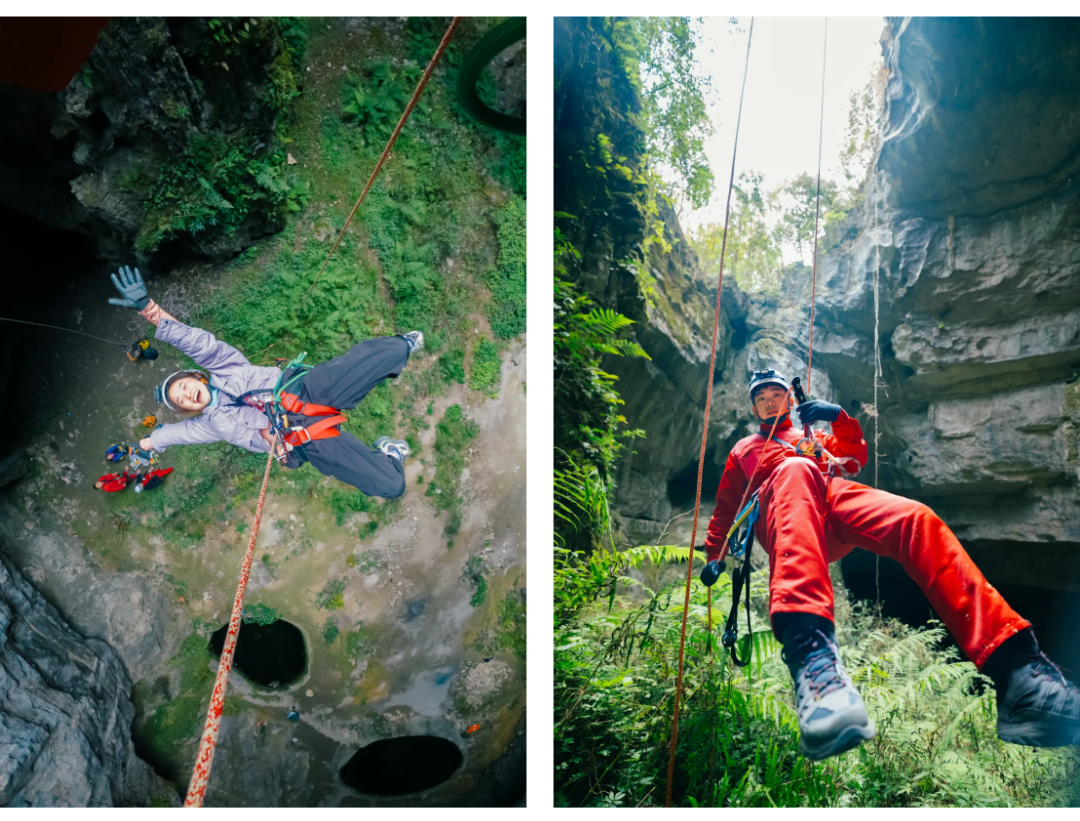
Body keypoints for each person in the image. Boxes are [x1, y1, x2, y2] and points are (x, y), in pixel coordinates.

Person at [702, 367, 1080, 760]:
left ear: (788, 400)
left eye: (775, 394)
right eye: (761, 397)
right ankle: (813, 660)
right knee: (794, 468)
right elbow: (726, 508)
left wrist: (838, 417)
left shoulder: (810, 437)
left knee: (916, 519)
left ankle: (1019, 672)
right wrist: (714, 556)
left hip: (833, 500)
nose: (768, 400)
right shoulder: (744, 450)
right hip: (785, 510)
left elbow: (855, 453)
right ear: (753, 407)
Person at [108, 266, 418, 498]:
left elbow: (196, 343)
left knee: (391, 349)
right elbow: (175, 435)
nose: (187, 395)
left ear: (196, 376)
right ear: (188, 409)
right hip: (299, 439)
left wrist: (150, 311)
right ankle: (390, 455)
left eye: (184, 387)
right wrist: (144, 444)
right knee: (391, 485)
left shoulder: (225, 367)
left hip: (306, 391)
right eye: (182, 401)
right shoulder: (210, 424)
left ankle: (402, 347)